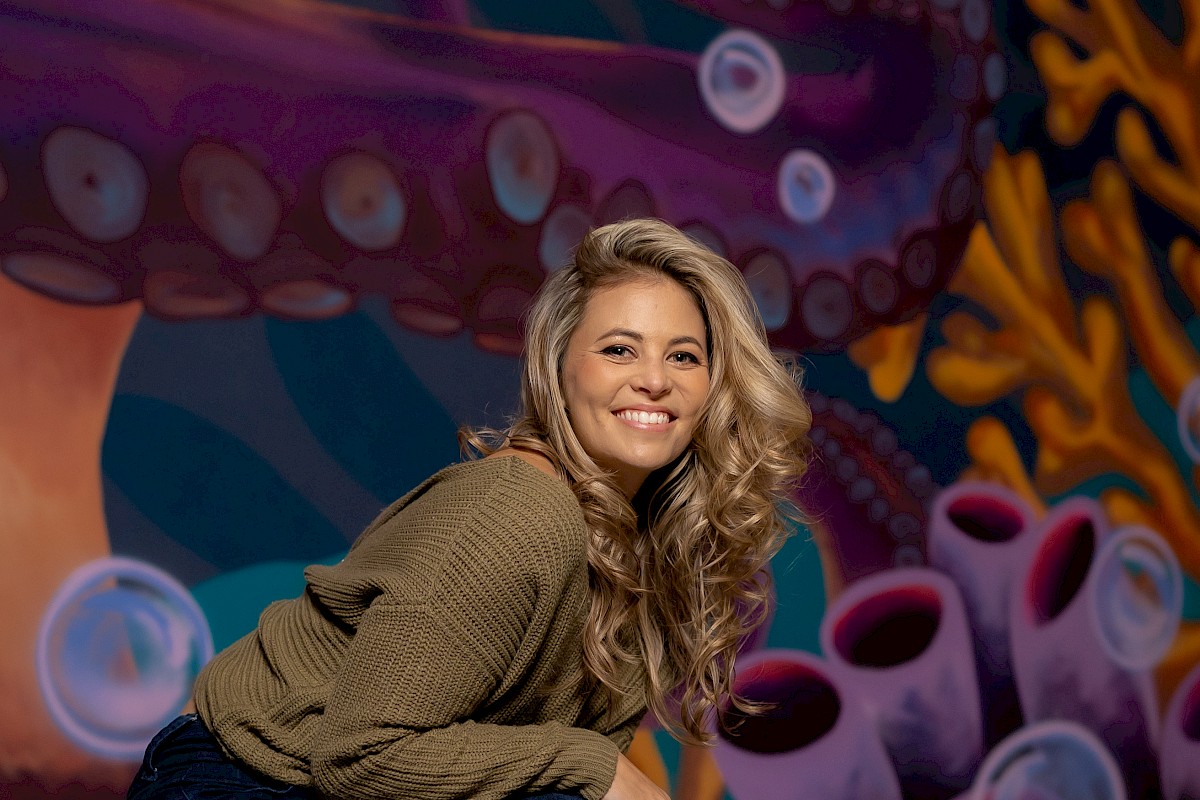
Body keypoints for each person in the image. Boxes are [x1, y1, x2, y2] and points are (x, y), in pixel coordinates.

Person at [127, 218, 812, 800]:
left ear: (712, 386)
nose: (655, 379)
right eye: (618, 349)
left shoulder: (643, 540)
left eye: (684, 356)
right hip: (236, 774)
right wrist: (594, 767)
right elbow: (357, 755)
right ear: (560, 368)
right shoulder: (515, 513)